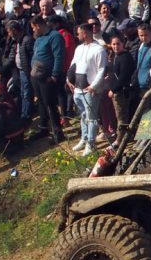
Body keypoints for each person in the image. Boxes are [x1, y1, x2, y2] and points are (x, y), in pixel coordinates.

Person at [67, 23, 107, 156]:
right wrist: (68, 79)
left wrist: (93, 86)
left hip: (90, 90)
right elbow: (73, 64)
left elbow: (102, 69)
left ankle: (91, 143)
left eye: (79, 33)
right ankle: (84, 139)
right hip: (77, 89)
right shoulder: (79, 48)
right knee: (83, 116)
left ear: (85, 33)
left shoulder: (99, 49)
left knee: (92, 118)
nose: (77, 35)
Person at [29, 15, 66, 144]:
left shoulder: (54, 36)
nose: (33, 30)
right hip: (36, 74)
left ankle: (57, 131)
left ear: (38, 25)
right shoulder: (39, 38)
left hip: (47, 76)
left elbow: (59, 56)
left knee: (50, 103)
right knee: (41, 102)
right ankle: (43, 127)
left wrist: (55, 74)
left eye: (34, 28)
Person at [106, 32, 136, 144]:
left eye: (118, 44)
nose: (115, 46)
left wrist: (113, 90)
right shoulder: (117, 56)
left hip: (122, 92)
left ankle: (120, 140)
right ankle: (122, 137)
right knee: (120, 116)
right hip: (118, 90)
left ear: (122, 44)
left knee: (121, 117)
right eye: (113, 44)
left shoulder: (125, 57)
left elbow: (123, 76)